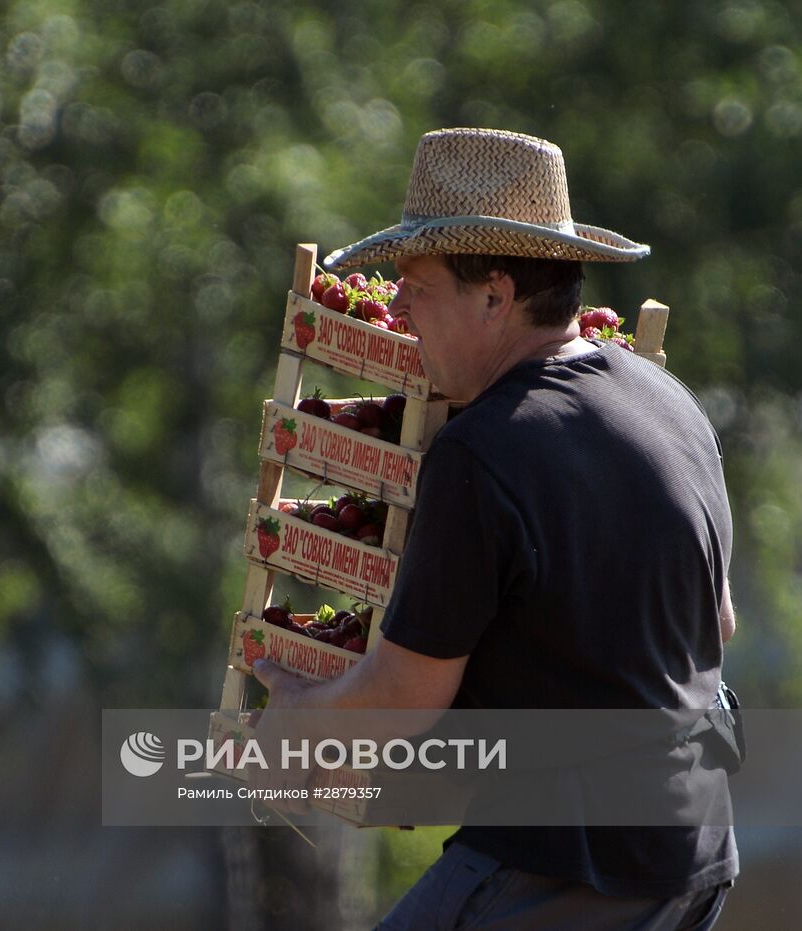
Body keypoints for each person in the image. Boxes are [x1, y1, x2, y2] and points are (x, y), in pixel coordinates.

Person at [250, 128, 737, 929]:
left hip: (566, 861)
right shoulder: (665, 399)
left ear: (495, 294)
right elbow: (714, 623)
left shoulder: (483, 448)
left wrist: (302, 718)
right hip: (693, 854)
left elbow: (405, 696)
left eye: (418, 283)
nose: (398, 308)